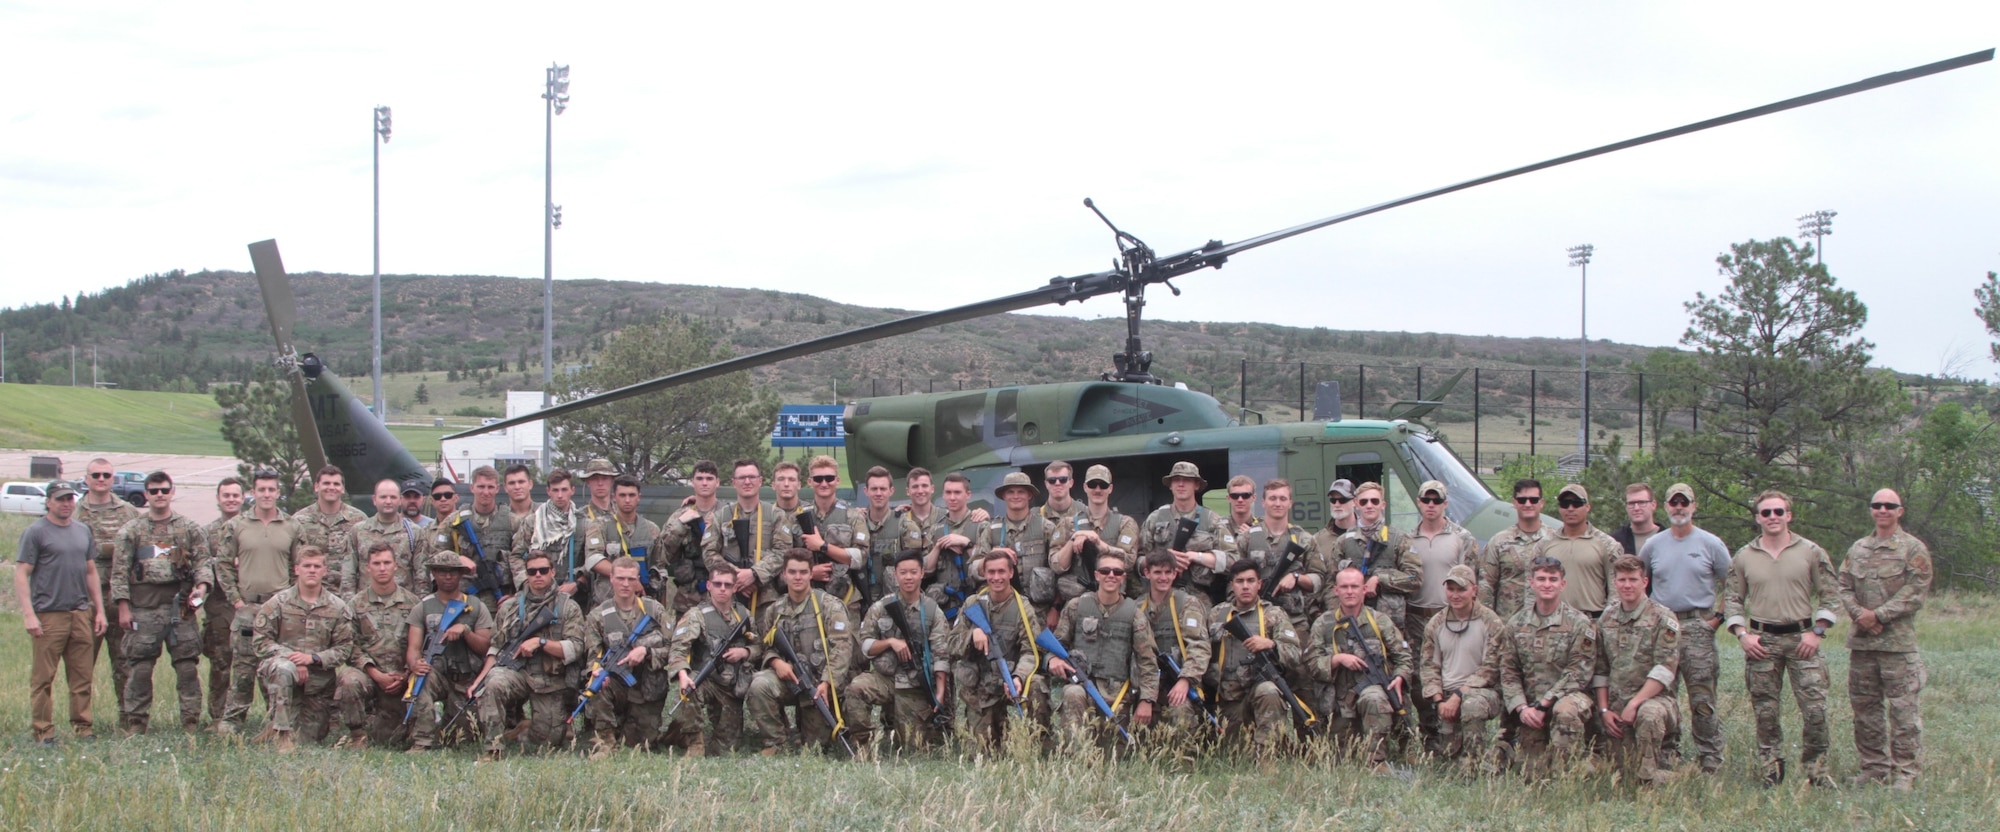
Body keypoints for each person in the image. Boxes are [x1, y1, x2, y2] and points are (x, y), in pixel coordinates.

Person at [1723, 490, 1840, 787]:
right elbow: (1733, 598)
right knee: (1765, 711)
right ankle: (1770, 769)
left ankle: (1816, 770)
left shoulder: (1811, 551)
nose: (1772, 517)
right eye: (1766, 513)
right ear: (1757, 518)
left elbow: (1831, 593)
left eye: (1778, 512)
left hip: (1802, 640)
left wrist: (1818, 631)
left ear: (1789, 515)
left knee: (1815, 710)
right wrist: (1742, 635)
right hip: (1762, 642)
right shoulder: (1744, 556)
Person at [1838, 488, 1932, 790]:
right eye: (1877, 505)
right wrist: (1859, 614)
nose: (1882, 510)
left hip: (1897, 647)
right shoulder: (1858, 548)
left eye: (1889, 506)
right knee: (1866, 711)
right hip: (1863, 646)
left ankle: (1905, 772)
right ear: (1871, 509)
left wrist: (1877, 616)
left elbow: (1915, 592)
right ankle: (1874, 767)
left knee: (1903, 711)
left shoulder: (1913, 549)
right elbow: (1844, 586)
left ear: (1900, 511)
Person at [1636, 482, 1731, 774]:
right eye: (1674, 503)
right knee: (1664, 694)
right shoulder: (1653, 544)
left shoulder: (1710, 544)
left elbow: (1735, 584)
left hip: (1698, 626)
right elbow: (1641, 582)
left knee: (1702, 697)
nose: (1679, 508)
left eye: (1684, 502)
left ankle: (1710, 757)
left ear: (1694, 506)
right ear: (1665, 506)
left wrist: (1717, 619)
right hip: (1663, 628)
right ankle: (1668, 753)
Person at [109, 471, 213, 734]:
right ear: (146, 494)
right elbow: (120, 571)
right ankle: (136, 723)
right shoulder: (131, 531)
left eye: (164, 490)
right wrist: (123, 606)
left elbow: (203, 564)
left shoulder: (189, 529)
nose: (159, 495)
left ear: (172, 492)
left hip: (181, 610)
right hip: (144, 610)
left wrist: (200, 590)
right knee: (140, 669)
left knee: (188, 668)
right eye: (154, 491)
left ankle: (190, 722)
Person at [213, 469, 308, 735]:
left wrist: (289, 599)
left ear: (278, 492)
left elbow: (298, 565)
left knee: (278, 667)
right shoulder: (236, 526)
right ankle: (233, 721)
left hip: (280, 610)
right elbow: (222, 564)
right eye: (261, 490)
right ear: (252, 493)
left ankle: (275, 721)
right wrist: (236, 600)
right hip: (247, 608)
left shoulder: (292, 526)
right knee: (243, 669)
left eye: (271, 490)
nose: (267, 495)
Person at [15, 482, 107, 744]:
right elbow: (22, 573)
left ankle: (83, 727)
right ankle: (43, 731)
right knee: (43, 678)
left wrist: (99, 610)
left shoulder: (82, 531)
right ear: (48, 502)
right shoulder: (36, 532)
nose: (66, 503)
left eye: (70, 498)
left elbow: (91, 571)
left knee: (82, 677)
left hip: (79, 613)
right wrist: (29, 614)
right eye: (60, 499)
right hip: (48, 615)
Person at [472, 551, 585, 761]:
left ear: (552, 572)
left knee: (547, 741)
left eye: (543, 570)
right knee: (493, 684)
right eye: (532, 571)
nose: (538, 575)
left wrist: (542, 643)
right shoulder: (510, 607)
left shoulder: (568, 607)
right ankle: (493, 749)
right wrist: (481, 680)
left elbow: (576, 648)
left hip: (551, 679)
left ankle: (524, 728)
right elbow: (495, 649)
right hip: (518, 673)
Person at [842, 550, 951, 754]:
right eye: (903, 572)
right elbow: (865, 646)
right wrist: (890, 642)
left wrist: (940, 691)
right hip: (885, 679)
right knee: (855, 689)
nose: (908, 577)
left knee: (913, 749)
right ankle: (863, 745)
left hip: (915, 685)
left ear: (922, 573)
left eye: (913, 572)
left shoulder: (932, 610)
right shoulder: (881, 607)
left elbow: (941, 654)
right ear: (895, 574)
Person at [1401, 479, 1481, 752]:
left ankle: (1455, 738)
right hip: (1415, 617)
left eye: (1437, 500)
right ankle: (1429, 736)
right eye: (1426, 500)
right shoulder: (1407, 538)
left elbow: (1471, 580)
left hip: (1450, 617)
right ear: (1419, 503)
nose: (1431, 505)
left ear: (1445, 504)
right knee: (1419, 679)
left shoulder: (1463, 538)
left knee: (1452, 677)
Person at [748, 550, 854, 755]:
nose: (798, 577)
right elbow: (766, 646)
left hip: (820, 684)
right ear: (784, 574)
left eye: (803, 572)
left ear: (811, 574)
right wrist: (776, 662)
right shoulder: (774, 610)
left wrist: (826, 683)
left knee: (816, 747)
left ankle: (802, 734)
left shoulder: (829, 606)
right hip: (788, 680)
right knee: (759, 684)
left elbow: (842, 648)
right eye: (792, 572)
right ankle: (776, 741)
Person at [1048, 551, 1159, 746]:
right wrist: (1053, 660)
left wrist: (1147, 700)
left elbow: (1147, 661)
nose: (1111, 575)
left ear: (1123, 577)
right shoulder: (1076, 606)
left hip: (1117, 694)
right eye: (1105, 570)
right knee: (1072, 694)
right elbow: (1056, 645)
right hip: (1082, 686)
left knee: (1111, 756)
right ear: (1096, 575)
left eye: (1117, 572)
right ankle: (1074, 759)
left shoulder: (1135, 614)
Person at [1499, 556, 1596, 779]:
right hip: (1531, 706)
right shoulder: (1516, 624)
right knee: (1532, 775)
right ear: (1531, 583)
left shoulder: (1578, 623)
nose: (1547, 584)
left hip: (1569, 698)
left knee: (1565, 712)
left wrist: (1545, 703)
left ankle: (1570, 771)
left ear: (1562, 584)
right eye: (1541, 579)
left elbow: (1577, 673)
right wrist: (1522, 708)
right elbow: (1508, 671)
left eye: (1553, 579)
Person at [251, 546, 355, 752]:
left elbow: (344, 648)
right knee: (283, 668)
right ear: (297, 569)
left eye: (317, 566)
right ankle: (281, 734)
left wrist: (312, 658)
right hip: (282, 675)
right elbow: (261, 642)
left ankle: (276, 726)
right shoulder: (278, 603)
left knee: (309, 739)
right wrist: (292, 659)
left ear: (325, 571)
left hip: (317, 683)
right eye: (307, 566)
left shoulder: (337, 607)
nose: (312, 570)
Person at [1308, 566, 1411, 768]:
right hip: (1338, 703)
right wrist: (1337, 660)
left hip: (1373, 699)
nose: (1349, 591)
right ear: (1336, 591)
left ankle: (1377, 762)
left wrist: (1399, 677)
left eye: (1355, 586)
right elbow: (1311, 664)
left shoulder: (1380, 621)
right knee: (1339, 759)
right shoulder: (1323, 624)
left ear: (1364, 590)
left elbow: (1404, 658)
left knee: (1374, 697)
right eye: (1344, 587)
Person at [1593, 555, 1682, 786]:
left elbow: (1665, 669)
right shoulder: (1607, 618)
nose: (1627, 585)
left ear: (1645, 582)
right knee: (1619, 771)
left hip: (1655, 700)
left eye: (1633, 579)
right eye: (1622, 580)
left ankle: (1648, 782)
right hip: (1616, 704)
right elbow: (1600, 668)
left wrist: (1635, 703)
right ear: (1615, 582)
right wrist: (1603, 710)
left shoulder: (1663, 618)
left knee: (1649, 715)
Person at [951, 550, 1049, 749]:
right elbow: (951, 644)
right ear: (984, 574)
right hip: (980, 687)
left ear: (1011, 573)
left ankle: (1040, 741)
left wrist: (1018, 677)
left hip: (1009, 680)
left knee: (1037, 685)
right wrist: (973, 634)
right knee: (981, 751)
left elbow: (1031, 651)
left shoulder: (1023, 607)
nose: (996, 578)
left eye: (1001, 572)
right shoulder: (972, 603)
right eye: (991, 572)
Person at [578, 557, 673, 758]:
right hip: (616, 684)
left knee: (643, 744)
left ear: (638, 579)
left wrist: (647, 653)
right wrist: (595, 671)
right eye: (620, 578)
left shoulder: (654, 610)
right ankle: (606, 740)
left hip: (647, 684)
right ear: (611, 578)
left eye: (631, 579)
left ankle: (635, 728)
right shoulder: (598, 616)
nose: (625, 584)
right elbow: (593, 655)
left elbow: (673, 650)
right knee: (597, 682)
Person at [1418, 564, 1507, 775]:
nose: (1455, 595)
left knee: (1472, 705)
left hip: (1482, 693)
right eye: (1451, 590)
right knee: (1449, 754)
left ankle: (1474, 764)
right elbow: (1429, 666)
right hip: (1448, 695)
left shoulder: (1491, 622)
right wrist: (1439, 700)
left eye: (1461, 590)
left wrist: (1459, 695)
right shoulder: (1436, 623)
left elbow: (1491, 668)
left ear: (1474, 590)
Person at [404, 551, 496, 753]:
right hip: (436, 673)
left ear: (461, 574)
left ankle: (444, 728)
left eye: (453, 572)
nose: (447, 576)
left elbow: (486, 647)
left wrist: (466, 632)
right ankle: (421, 741)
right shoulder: (423, 607)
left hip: (466, 679)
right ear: (434, 574)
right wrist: (415, 664)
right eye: (442, 571)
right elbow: (413, 648)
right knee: (419, 682)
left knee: (461, 738)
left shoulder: (476, 606)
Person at [333, 541, 422, 750]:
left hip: (403, 678)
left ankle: (416, 730)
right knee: (348, 680)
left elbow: (421, 644)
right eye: (376, 563)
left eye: (386, 563)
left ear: (395, 566)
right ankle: (357, 736)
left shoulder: (413, 603)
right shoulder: (355, 604)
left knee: (390, 737)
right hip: (370, 676)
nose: (382, 568)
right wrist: (375, 674)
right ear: (368, 568)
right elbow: (349, 645)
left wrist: (406, 674)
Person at [1210, 559, 1303, 756]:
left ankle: (1267, 758)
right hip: (1226, 701)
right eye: (1240, 581)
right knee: (1233, 755)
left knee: (1269, 690)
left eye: (1251, 580)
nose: (1245, 586)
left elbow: (1296, 655)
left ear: (1259, 584)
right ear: (1232, 585)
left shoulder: (1274, 614)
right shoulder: (1217, 614)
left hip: (1258, 696)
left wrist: (1272, 645)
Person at [665, 568, 759, 757]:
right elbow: (678, 650)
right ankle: (694, 742)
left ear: (735, 588)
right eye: (717, 584)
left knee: (727, 747)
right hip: (706, 680)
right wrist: (683, 676)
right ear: (709, 586)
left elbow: (759, 647)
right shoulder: (696, 615)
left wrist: (745, 651)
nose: (722, 589)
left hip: (731, 686)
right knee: (690, 688)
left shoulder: (744, 615)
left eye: (727, 585)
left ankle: (678, 731)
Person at [79, 458, 140, 715]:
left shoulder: (128, 512)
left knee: (125, 663)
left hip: (121, 600)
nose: (101, 479)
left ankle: (129, 719)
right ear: (87, 479)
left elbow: (141, 551)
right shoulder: (74, 513)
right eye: (96, 475)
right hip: (86, 600)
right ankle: (81, 721)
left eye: (106, 475)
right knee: (82, 665)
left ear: (113, 479)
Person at [703, 459, 794, 615]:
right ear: (734, 482)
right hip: (728, 597)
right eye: (741, 478)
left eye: (752, 477)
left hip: (767, 599)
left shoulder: (775, 515)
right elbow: (708, 552)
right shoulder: (721, 516)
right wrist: (735, 577)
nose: (747, 482)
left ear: (760, 481)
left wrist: (753, 574)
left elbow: (783, 551)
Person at [1332, 481, 1422, 634]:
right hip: (1353, 624)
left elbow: (1415, 578)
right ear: (1356, 504)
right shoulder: (1344, 541)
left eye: (1374, 501)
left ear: (1383, 505)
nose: (1369, 505)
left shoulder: (1399, 539)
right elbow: (1331, 582)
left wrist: (1380, 579)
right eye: (1364, 501)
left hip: (1389, 626)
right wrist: (1335, 615)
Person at [1137, 552, 1211, 733]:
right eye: (1158, 572)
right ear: (1147, 573)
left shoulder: (1187, 604)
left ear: (1174, 574)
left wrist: (1185, 680)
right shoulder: (1137, 607)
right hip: (1145, 683)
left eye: (1168, 572)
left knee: (1180, 710)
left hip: (1178, 680)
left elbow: (1199, 646)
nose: (1163, 578)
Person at [1140, 461, 1235, 602]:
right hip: (1161, 596)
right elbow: (1139, 559)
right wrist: (1164, 558)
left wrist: (1197, 557)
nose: (1181, 484)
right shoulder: (1155, 518)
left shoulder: (1211, 520)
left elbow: (1233, 560)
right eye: (1176, 480)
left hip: (1200, 598)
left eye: (1187, 480)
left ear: (1196, 485)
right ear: (1170, 486)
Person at [975, 471, 1058, 626]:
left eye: (1021, 491)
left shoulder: (1045, 528)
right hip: (1002, 613)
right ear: (1004, 496)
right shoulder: (992, 530)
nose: (1016, 496)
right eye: (1010, 492)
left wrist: (1055, 608)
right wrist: (991, 557)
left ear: (1029, 495)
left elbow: (1059, 571)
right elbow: (973, 570)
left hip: (1039, 613)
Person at [795, 455, 869, 622]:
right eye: (818, 479)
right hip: (807, 603)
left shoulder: (852, 516)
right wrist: (810, 573)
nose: (824, 483)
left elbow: (861, 557)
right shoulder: (798, 516)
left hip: (846, 602)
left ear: (837, 480)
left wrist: (823, 546)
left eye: (829, 478)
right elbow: (785, 558)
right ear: (810, 481)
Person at [1053, 464, 1140, 599]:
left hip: (1114, 600)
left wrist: (1097, 542)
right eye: (1093, 484)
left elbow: (1128, 562)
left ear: (1110, 489)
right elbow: (1057, 566)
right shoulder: (1067, 524)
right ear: (1085, 487)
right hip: (1078, 602)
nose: (1098, 490)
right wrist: (1074, 538)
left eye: (1103, 485)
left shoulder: (1125, 523)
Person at [433, 466, 517, 605]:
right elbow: (435, 555)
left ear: (497, 488)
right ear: (472, 488)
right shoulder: (454, 521)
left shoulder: (512, 521)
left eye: (490, 487)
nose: (486, 492)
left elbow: (521, 558)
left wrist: (515, 596)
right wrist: (457, 559)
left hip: (502, 599)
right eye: (481, 486)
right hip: (463, 599)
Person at [1537, 484, 1620, 618]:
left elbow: (1616, 590)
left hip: (1592, 621)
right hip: (1554, 622)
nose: (1570, 509)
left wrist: (1606, 623)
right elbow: (1533, 588)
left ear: (1587, 507)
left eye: (1576, 504)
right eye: (1565, 504)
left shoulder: (1607, 544)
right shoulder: (1544, 544)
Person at [201, 476, 245, 723]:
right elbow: (200, 563)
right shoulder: (207, 532)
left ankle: (253, 715)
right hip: (219, 606)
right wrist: (223, 563)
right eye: (226, 495)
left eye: (235, 495)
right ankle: (218, 716)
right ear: (218, 499)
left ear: (243, 498)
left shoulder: (250, 527)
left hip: (248, 603)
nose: (231, 500)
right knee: (220, 663)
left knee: (253, 664)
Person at [655, 459, 723, 617]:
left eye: (709, 479)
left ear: (717, 482)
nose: (704, 483)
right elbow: (662, 555)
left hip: (721, 592)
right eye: (699, 479)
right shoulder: (680, 515)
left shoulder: (727, 513)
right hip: (687, 597)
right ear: (692, 482)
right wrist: (681, 525)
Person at [582, 475, 661, 611]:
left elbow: (659, 566)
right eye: (622, 495)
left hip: (642, 604)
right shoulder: (600, 526)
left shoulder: (651, 529)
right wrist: (630, 580)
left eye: (632, 495)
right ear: (614, 497)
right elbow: (593, 559)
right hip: (607, 602)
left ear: (639, 497)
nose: (627, 500)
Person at [916, 472, 986, 620]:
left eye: (957, 492)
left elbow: (988, 567)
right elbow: (925, 570)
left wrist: (967, 544)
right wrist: (938, 546)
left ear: (968, 495)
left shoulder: (981, 525)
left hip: (975, 603)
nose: (952, 497)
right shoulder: (936, 529)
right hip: (944, 606)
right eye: (948, 492)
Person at [1480, 479, 1550, 620]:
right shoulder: (1499, 542)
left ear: (1541, 503)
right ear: (1515, 503)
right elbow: (1486, 586)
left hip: (1546, 629)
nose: (1528, 504)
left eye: (1533, 500)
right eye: (1522, 500)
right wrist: (1489, 624)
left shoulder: (1554, 541)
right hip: (1508, 626)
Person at [292, 465, 367, 596]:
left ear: (342, 489)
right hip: (312, 595)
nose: (331, 487)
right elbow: (292, 560)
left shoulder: (359, 519)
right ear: (316, 487)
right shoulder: (300, 520)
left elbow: (365, 560)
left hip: (348, 596)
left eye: (336, 484)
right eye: (326, 483)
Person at [521, 468, 590, 608]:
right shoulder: (533, 521)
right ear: (548, 491)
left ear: (572, 490)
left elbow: (592, 560)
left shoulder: (584, 524)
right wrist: (528, 581)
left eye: (564, 490)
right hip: (536, 596)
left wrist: (578, 583)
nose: (560, 495)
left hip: (573, 597)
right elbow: (516, 555)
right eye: (555, 490)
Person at [352, 477, 432, 596]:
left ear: (400, 500)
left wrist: (420, 606)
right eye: (383, 497)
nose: (388, 501)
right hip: (365, 606)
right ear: (374, 499)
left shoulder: (414, 532)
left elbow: (421, 576)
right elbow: (349, 573)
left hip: (403, 605)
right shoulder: (358, 531)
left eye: (393, 497)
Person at [851, 466, 909, 620]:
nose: (878, 493)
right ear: (866, 491)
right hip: (859, 602)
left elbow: (914, 565)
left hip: (894, 602)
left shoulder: (904, 524)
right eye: (874, 489)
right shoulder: (855, 523)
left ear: (891, 491)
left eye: (883, 489)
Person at [501, 463, 540, 588]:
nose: (517, 487)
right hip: (505, 587)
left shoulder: (544, 515)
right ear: (505, 487)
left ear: (530, 484)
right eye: (512, 483)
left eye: (521, 482)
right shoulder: (499, 518)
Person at [1610, 483, 1662, 556]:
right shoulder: (1615, 541)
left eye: (1641, 502)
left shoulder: (1668, 539)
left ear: (1653, 505)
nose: (1636, 508)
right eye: (1631, 503)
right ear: (1626, 507)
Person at [1223, 474, 1261, 538]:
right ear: (1228, 498)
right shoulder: (1218, 527)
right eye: (1235, 496)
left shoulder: (1263, 527)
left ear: (1254, 498)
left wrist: (1254, 538)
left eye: (1245, 495)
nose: (1240, 500)